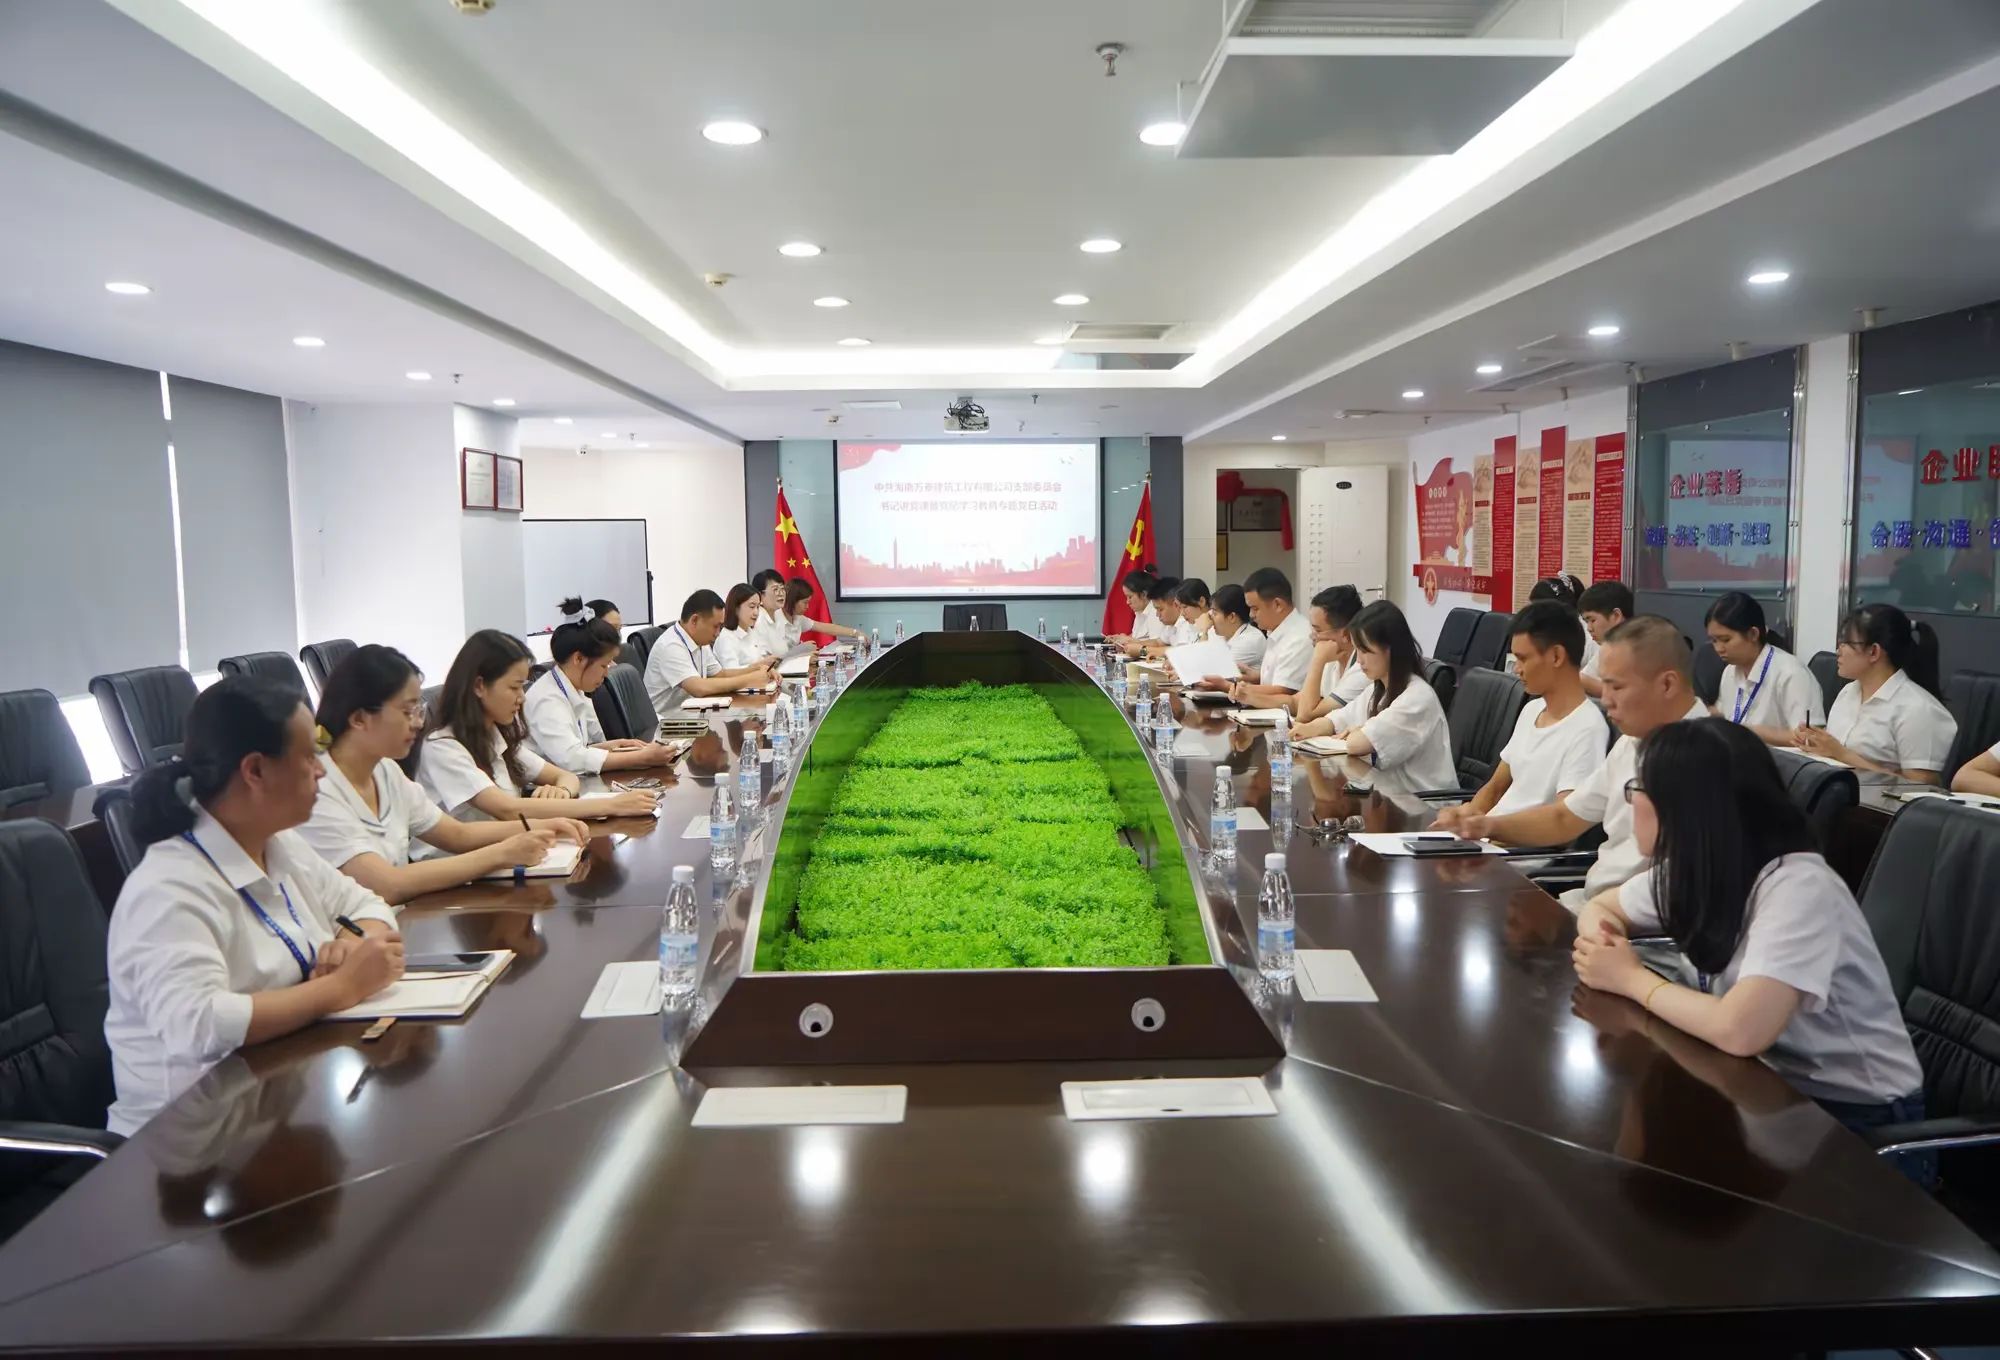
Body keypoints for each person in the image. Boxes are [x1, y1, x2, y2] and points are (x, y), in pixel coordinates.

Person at [1571, 720, 1930, 1185]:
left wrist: (1629, 978)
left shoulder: (1798, 888)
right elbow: (1602, 907)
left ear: (1684, 806)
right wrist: (1606, 944)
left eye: (1639, 788)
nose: (1632, 800)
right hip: (1759, 1088)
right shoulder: (1697, 866)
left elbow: (1741, 1031)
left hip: (1856, 1121)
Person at [104, 676, 406, 1133]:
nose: (322, 771)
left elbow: (367, 903)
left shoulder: (279, 843)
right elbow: (199, 1025)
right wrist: (340, 987)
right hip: (182, 1141)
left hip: (273, 1099)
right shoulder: (168, 887)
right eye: (309, 756)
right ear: (256, 771)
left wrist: (349, 942)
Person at [302, 645, 590, 905]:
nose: (418, 723)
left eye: (419, 710)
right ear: (359, 718)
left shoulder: (385, 770)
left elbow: (457, 834)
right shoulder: (318, 790)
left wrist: (548, 826)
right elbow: (387, 884)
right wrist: (502, 853)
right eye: (407, 711)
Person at [1455, 616, 1707, 909]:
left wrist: (1603, 914)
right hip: (1592, 903)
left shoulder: (1710, 759)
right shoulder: (1632, 741)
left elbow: (1685, 888)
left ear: (1667, 684)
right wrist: (1484, 826)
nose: (1605, 700)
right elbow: (1564, 818)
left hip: (1636, 921)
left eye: (1616, 687)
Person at [421, 630, 658, 821]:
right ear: (479, 686)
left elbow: (566, 776)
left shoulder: (495, 734)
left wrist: (561, 791)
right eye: (514, 687)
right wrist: (611, 805)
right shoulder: (443, 746)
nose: (522, 697)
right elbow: (507, 810)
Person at [1436, 601, 1611, 828]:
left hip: (1514, 846)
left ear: (1556, 656)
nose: (1516, 669)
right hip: (1489, 836)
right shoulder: (1532, 709)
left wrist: (1490, 828)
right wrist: (1464, 814)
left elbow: (1561, 820)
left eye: (1523, 659)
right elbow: (1495, 788)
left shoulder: (1587, 728)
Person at [1293, 600, 1456, 791]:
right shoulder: (1378, 688)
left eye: (1365, 651)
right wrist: (1306, 729)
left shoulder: (1417, 697)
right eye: (1357, 650)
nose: (1359, 661)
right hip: (1391, 794)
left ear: (1391, 650)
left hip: (1423, 802)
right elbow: (1338, 719)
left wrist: (1358, 729)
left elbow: (1357, 744)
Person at [1797, 603, 1956, 783]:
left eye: (1846, 644)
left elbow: (1920, 787)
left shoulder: (1917, 709)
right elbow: (1836, 751)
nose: (1838, 652)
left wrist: (1842, 755)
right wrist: (1815, 743)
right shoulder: (1848, 692)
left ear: (1874, 652)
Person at [524, 616, 679, 774]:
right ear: (578, 659)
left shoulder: (574, 688)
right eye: (603, 665)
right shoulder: (547, 700)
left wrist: (612, 746)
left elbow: (579, 749)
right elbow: (570, 760)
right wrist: (641, 757)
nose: (606, 674)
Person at [1702, 592, 1822, 744]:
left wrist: (1750, 732)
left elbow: (1811, 739)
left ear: (1753, 634)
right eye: (1714, 641)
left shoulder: (1791, 673)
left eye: (1726, 640)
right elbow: (1727, 716)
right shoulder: (1730, 671)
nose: (1718, 648)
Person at [645, 589, 778, 720]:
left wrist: (756, 669)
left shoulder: (700, 641)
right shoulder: (671, 645)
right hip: (666, 723)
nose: (718, 633)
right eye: (716, 626)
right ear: (694, 620)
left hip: (693, 716)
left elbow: (720, 674)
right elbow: (698, 687)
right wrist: (749, 679)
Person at [1208, 567, 1312, 703]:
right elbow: (1275, 683)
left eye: (1255, 608)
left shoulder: (1298, 638)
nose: (1251, 615)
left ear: (1277, 604)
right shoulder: (1276, 631)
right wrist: (1256, 677)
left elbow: (1282, 691)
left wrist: (1226, 686)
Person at [1292, 585, 1370, 723]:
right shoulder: (1333, 659)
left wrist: (1318, 660)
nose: (1312, 636)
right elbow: (1298, 701)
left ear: (1345, 634)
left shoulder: (1363, 668)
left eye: (1318, 630)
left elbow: (1304, 716)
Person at [1576, 580, 1632, 699]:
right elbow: (1587, 676)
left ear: (1616, 616)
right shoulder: (1606, 648)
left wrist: (1572, 677)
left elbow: (1625, 696)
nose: (1589, 628)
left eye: (1592, 620)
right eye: (1586, 622)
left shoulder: (1640, 649)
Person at [777, 577, 866, 649]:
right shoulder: (776, 620)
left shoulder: (798, 618)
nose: (807, 607)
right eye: (805, 602)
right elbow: (780, 655)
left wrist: (855, 632)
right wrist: (802, 649)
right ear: (793, 600)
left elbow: (826, 627)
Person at [714, 582, 780, 672]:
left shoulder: (751, 632)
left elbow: (760, 659)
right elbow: (731, 672)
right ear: (736, 608)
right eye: (752, 606)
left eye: (758, 607)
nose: (756, 612)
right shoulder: (726, 638)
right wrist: (760, 665)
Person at [1210, 584, 1266, 676]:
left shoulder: (1251, 639)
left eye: (1214, 613)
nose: (1210, 618)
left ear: (1232, 617)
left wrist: (1203, 632)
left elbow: (1210, 670)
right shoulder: (1219, 633)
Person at [1104, 568, 1162, 650]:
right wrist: (1120, 638)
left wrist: (1129, 641)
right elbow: (1139, 637)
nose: (1127, 602)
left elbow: (1158, 644)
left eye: (1130, 597)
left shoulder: (1156, 611)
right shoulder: (1140, 611)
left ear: (1144, 594)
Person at [747, 569, 791, 658]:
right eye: (775, 589)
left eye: (782, 588)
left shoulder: (778, 614)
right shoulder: (758, 620)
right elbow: (765, 659)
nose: (781, 593)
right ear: (760, 595)